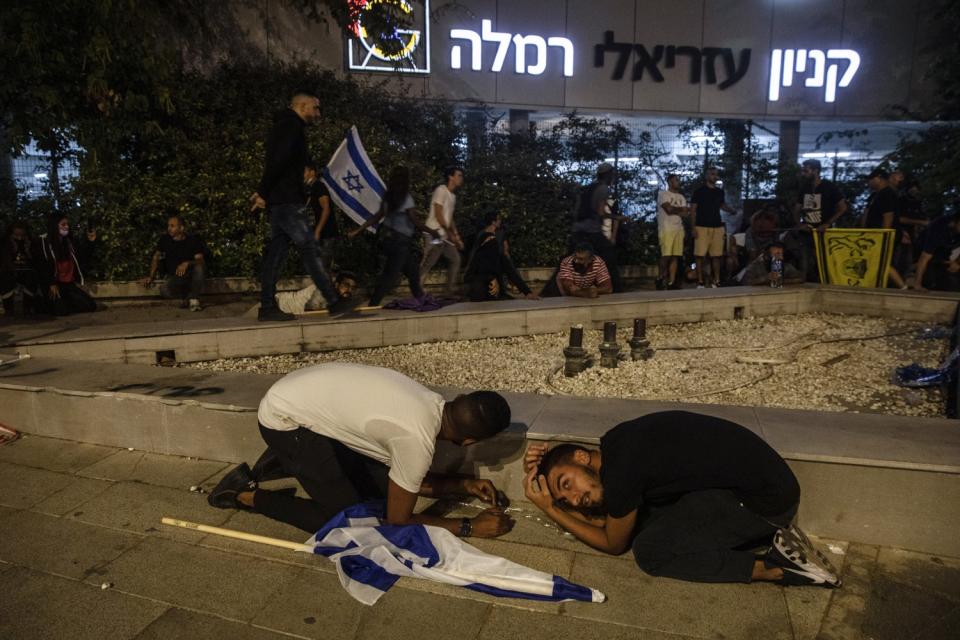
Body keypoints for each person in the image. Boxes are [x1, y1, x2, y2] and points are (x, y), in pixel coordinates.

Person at [522, 411, 841, 587]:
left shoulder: (623, 477)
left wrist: (549, 506)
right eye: (567, 500)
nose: (576, 499)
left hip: (765, 503)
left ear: (580, 456)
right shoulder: (616, 442)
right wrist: (550, 476)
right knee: (645, 521)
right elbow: (612, 514)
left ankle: (775, 567)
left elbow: (612, 543)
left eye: (567, 484)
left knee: (649, 551)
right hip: (763, 482)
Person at [208, 363, 515, 538]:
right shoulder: (416, 439)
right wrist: (470, 526)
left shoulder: (428, 402)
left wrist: (464, 485)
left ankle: (288, 461)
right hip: (285, 422)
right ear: (469, 442)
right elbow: (398, 520)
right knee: (353, 525)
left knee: (380, 492)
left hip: (293, 398)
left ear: (459, 397)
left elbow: (409, 481)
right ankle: (241, 493)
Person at [250, 91, 348, 322]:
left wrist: (307, 167)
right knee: (309, 247)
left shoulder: (286, 127)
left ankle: (266, 306)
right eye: (315, 108)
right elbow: (278, 162)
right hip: (287, 200)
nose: (318, 113)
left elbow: (286, 160)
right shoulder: (291, 126)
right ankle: (333, 301)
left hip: (282, 199)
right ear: (302, 106)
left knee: (276, 254)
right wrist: (263, 191)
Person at [348, 165, 440, 306]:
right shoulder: (406, 198)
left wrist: (358, 230)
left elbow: (376, 217)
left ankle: (420, 297)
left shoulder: (388, 197)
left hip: (388, 240)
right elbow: (415, 221)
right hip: (400, 242)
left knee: (413, 271)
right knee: (390, 275)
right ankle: (373, 303)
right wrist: (433, 231)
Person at [571, 163, 626, 293]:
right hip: (592, 230)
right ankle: (615, 288)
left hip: (578, 229)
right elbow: (601, 212)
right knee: (608, 256)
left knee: (573, 259)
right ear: (608, 175)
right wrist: (616, 218)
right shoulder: (603, 189)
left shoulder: (590, 187)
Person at [463, 209, 538, 302]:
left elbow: (512, 273)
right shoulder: (478, 256)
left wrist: (527, 292)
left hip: (495, 292)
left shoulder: (498, 255)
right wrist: (490, 279)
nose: (492, 241)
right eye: (489, 239)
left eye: (493, 239)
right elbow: (468, 277)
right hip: (480, 293)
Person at [794, 159, 848, 282]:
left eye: (806, 170)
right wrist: (800, 224)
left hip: (823, 232)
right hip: (807, 232)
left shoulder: (828, 187)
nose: (804, 173)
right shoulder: (805, 188)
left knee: (823, 263)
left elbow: (843, 207)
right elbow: (796, 209)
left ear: (815, 170)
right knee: (805, 263)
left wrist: (828, 223)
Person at [139, 215, 207, 311]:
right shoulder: (165, 239)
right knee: (164, 290)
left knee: (199, 267)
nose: (169, 229)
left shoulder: (193, 240)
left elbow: (200, 260)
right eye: (168, 226)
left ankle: (194, 299)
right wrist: (151, 277)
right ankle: (187, 298)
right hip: (175, 278)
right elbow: (156, 257)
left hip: (190, 276)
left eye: (172, 226)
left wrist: (187, 263)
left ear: (181, 228)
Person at [36, 215, 98, 316]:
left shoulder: (68, 241)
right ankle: (44, 303)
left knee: (90, 306)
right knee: (61, 311)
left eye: (67, 224)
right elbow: (42, 264)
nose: (66, 227)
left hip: (68, 284)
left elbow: (82, 257)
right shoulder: (44, 241)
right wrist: (51, 283)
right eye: (63, 224)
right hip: (53, 284)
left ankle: (62, 303)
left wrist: (90, 242)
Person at [859, 168, 907, 289]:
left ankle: (902, 286)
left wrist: (883, 235)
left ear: (878, 178)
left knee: (882, 261)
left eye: (871, 180)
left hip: (882, 235)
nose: (869, 183)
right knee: (876, 260)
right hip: (874, 234)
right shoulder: (877, 195)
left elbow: (888, 216)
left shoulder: (887, 193)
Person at [690, 166, 738, 288]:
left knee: (716, 255)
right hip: (701, 226)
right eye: (712, 174)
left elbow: (722, 205)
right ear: (707, 176)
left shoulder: (719, 191)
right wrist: (693, 227)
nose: (715, 176)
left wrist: (731, 210)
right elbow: (693, 210)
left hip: (717, 226)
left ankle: (716, 280)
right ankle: (700, 281)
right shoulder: (699, 191)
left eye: (716, 174)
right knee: (700, 255)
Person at [421, 166, 465, 296]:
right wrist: (450, 234)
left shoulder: (453, 196)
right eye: (459, 175)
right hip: (433, 231)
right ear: (450, 177)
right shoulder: (441, 190)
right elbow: (438, 213)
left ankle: (449, 289)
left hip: (444, 235)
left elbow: (449, 218)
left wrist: (456, 235)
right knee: (429, 260)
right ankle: (417, 288)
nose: (461, 178)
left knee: (455, 259)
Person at [656, 174, 690, 290]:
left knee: (675, 256)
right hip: (666, 228)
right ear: (670, 182)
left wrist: (677, 210)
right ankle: (661, 278)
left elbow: (686, 214)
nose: (678, 182)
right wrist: (680, 209)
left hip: (678, 229)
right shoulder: (663, 194)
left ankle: (672, 281)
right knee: (666, 255)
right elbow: (668, 209)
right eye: (676, 180)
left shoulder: (681, 197)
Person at [0, 221, 42, 316]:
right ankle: (9, 309)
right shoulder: (5, 242)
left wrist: (28, 251)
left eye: (22, 235)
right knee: (6, 279)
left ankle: (27, 308)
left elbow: (35, 259)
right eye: (16, 235)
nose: (19, 238)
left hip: (27, 269)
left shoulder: (30, 242)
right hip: (9, 270)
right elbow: (4, 259)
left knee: (31, 278)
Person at [912, 212, 960, 292]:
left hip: (944, 252)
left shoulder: (956, 230)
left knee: (949, 281)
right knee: (929, 280)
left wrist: (957, 262)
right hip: (923, 251)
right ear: (954, 222)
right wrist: (917, 284)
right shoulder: (938, 228)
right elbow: (924, 258)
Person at [741, 241, 805, 287]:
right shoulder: (755, 266)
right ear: (766, 256)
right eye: (775, 255)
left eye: (780, 255)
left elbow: (801, 278)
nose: (779, 258)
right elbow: (745, 283)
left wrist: (782, 281)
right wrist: (765, 278)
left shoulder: (786, 267)